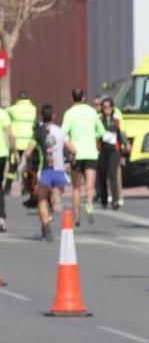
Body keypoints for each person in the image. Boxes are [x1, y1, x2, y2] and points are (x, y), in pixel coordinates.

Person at [23, 104, 74, 242]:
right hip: (59, 169)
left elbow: (28, 152)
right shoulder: (60, 131)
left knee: (41, 199)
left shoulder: (38, 133)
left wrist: (28, 164)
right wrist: (71, 162)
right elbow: (72, 149)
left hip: (44, 171)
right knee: (56, 190)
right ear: (53, 116)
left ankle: (46, 227)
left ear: (41, 117)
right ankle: (56, 195)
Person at [62, 88, 104, 227]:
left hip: (77, 154)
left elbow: (63, 134)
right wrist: (94, 137)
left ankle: (77, 220)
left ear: (71, 98)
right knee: (90, 185)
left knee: (76, 187)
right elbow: (101, 131)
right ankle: (89, 202)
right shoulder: (92, 111)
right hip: (91, 152)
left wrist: (70, 147)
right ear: (84, 98)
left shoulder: (69, 113)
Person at [9, 91, 37, 206]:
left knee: (13, 166)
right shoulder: (33, 109)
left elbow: (8, 115)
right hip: (28, 141)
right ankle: (26, 187)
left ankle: (7, 187)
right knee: (28, 167)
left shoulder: (13, 109)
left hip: (17, 141)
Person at [97, 97, 125, 209]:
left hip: (114, 150)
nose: (107, 109)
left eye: (109, 107)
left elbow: (120, 135)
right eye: (104, 107)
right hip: (102, 150)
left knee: (113, 174)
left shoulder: (116, 120)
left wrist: (122, 153)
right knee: (103, 175)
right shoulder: (99, 119)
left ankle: (115, 200)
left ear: (112, 108)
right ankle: (104, 199)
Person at [0, 105, 15, 231]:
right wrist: (14, 152)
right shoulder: (3, 114)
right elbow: (10, 135)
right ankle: (1, 218)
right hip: (2, 154)